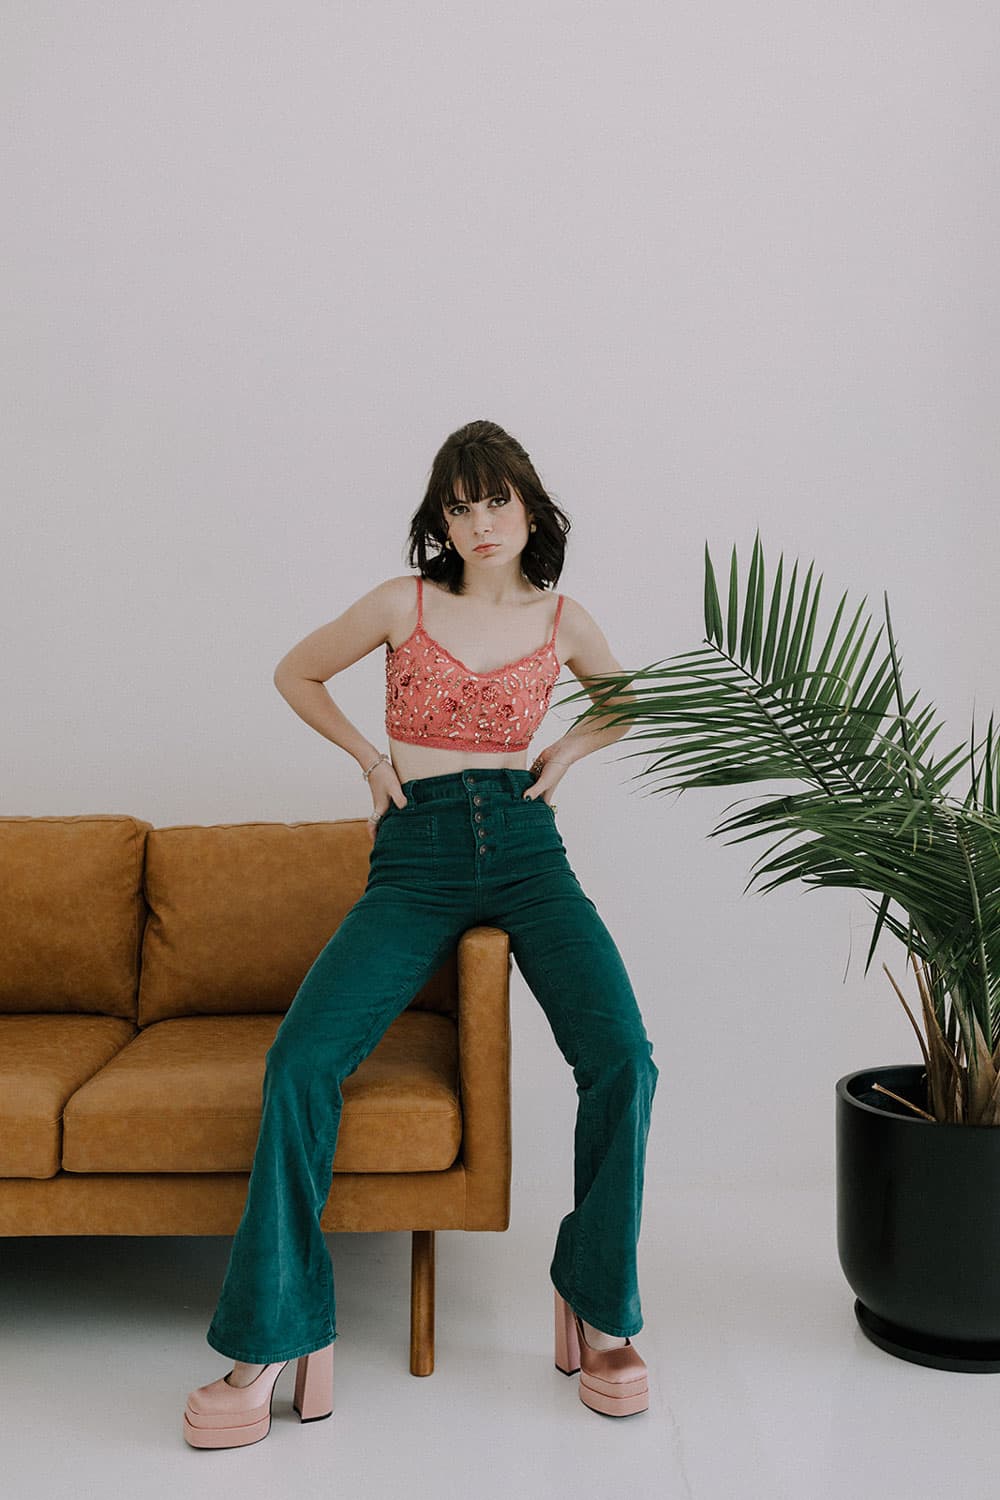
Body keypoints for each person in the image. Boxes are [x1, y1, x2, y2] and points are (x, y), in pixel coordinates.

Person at [183, 420, 659, 1446]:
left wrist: (569, 749)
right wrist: (366, 756)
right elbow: (295, 672)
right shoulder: (404, 603)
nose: (478, 522)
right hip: (417, 853)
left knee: (623, 1057)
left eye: (495, 500)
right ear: (438, 518)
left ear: (529, 505)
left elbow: (627, 702)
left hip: (529, 853)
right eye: (458, 504)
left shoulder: (563, 619)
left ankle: (597, 1301)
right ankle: (276, 1332)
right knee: (302, 1061)